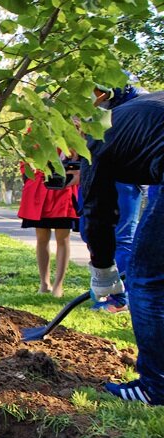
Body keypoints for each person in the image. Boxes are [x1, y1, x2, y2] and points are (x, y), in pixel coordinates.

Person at [80, 91, 164, 405]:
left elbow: (98, 212)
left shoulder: (99, 132)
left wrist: (102, 271)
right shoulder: (145, 106)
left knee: (147, 281)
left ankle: (155, 387)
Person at [17, 153, 80, 298]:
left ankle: (58, 285)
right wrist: (29, 176)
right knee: (41, 237)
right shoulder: (33, 130)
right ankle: (44, 283)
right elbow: (25, 156)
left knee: (62, 238)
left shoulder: (70, 131)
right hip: (39, 187)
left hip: (64, 187)